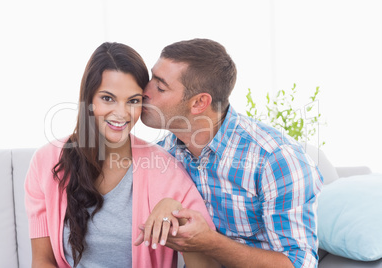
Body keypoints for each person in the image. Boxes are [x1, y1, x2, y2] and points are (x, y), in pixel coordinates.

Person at [24, 42, 220, 268]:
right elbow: (42, 260)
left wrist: (177, 212)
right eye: (107, 98)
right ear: (89, 99)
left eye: (133, 101)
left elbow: (208, 265)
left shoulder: (164, 168)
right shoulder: (46, 161)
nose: (121, 113)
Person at [139, 38, 324, 268]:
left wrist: (209, 243)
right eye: (151, 78)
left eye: (160, 86)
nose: (144, 91)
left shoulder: (275, 159)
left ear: (199, 103)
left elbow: (298, 264)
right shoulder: (163, 154)